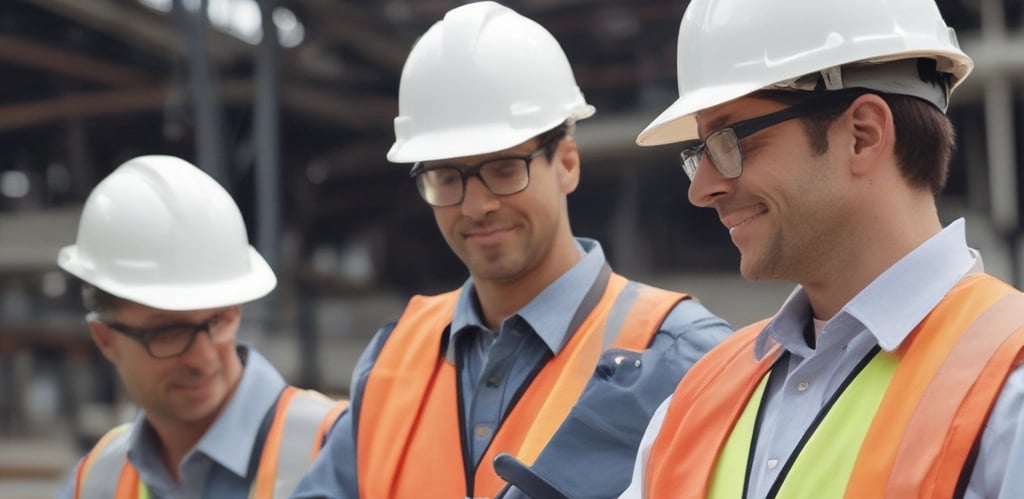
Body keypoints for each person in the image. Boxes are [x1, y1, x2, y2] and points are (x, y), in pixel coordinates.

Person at [290, 2, 731, 498]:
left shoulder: (685, 358)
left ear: (566, 163)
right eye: (446, 177)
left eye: (504, 169)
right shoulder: (390, 360)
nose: (476, 206)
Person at [619, 0, 1024, 497]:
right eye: (699, 153)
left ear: (862, 135)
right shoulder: (695, 403)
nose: (700, 189)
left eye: (728, 142)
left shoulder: (1010, 394)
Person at [56, 155, 348, 499]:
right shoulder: (96, 482)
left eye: (219, 319)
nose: (204, 357)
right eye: (168, 332)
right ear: (106, 340)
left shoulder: (337, 448)